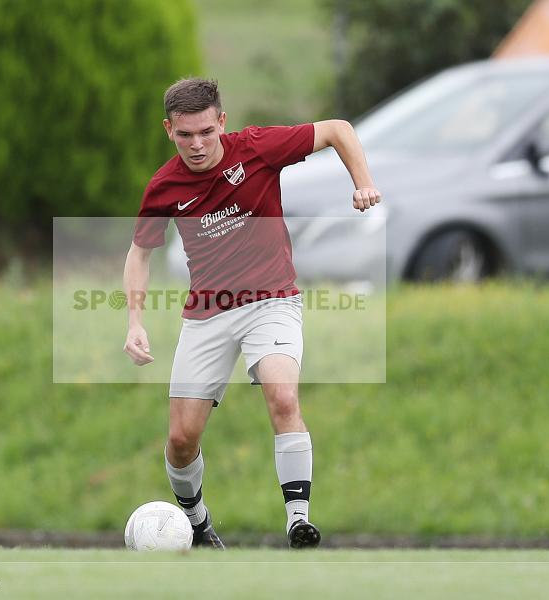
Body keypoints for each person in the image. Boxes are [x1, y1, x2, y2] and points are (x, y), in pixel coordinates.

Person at [122, 78, 381, 549]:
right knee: (182, 439)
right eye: (185, 135)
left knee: (283, 397)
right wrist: (135, 322)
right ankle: (199, 526)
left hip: (272, 300)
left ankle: (298, 520)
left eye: (205, 131)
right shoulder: (164, 186)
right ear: (168, 130)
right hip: (207, 314)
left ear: (222, 121)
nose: (197, 145)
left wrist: (363, 184)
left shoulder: (258, 148)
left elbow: (339, 129)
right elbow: (140, 253)